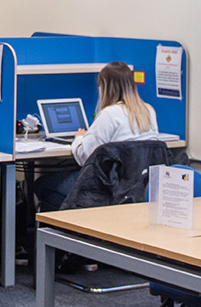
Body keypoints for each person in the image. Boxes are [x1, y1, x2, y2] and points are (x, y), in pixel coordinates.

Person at [31, 61, 159, 210]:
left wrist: (79, 138)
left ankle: (50, 229)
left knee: (42, 183)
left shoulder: (109, 114)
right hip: (138, 187)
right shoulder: (149, 111)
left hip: (105, 188)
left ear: (105, 87)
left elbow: (85, 157)